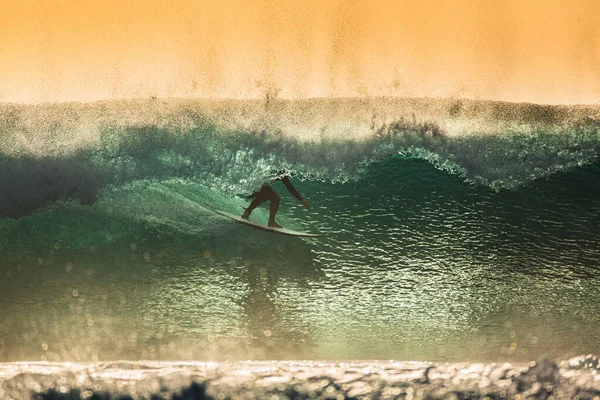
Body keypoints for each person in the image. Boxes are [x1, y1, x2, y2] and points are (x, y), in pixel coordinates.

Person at [241, 170, 310, 228]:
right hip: (251, 185)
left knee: (263, 195)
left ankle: (247, 212)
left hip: (248, 183)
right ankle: (271, 222)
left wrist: (301, 200)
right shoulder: (281, 170)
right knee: (275, 198)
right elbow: (290, 187)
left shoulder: (277, 168)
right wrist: (302, 200)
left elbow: (290, 187)